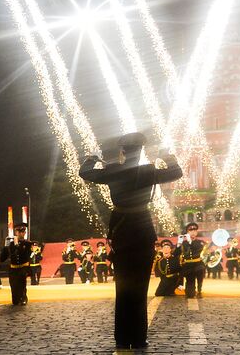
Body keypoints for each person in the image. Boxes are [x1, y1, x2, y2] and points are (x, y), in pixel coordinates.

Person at [78, 132, 183, 351]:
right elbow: (176, 172)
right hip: (143, 231)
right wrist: (167, 155)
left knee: (123, 288)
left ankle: (122, 338)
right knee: (140, 287)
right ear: (141, 150)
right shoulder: (149, 170)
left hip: (122, 231)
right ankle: (139, 338)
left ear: (122, 151)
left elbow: (84, 172)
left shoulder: (114, 170)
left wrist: (94, 158)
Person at [1, 223, 32, 305]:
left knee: (22, 283)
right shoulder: (10, 244)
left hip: (23, 267)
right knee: (14, 287)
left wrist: (17, 245)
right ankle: (16, 298)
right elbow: (2, 259)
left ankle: (23, 297)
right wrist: (5, 247)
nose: (20, 234)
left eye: (22, 232)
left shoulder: (28, 244)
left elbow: (25, 255)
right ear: (15, 233)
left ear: (25, 233)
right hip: (13, 268)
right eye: (18, 232)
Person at [178, 222, 207, 299]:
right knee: (189, 294)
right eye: (190, 231)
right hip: (188, 266)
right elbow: (180, 252)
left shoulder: (200, 243)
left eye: (194, 231)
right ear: (187, 232)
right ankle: (191, 290)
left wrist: (190, 242)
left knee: (200, 274)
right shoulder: (184, 243)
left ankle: (199, 290)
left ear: (197, 232)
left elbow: (198, 249)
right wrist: (179, 243)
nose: (193, 233)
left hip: (198, 264)